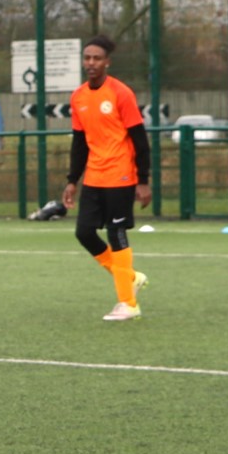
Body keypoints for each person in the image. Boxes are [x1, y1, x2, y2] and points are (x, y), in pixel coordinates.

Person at [61, 36, 151, 321]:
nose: (91, 63)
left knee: (116, 234)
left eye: (96, 58)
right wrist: (72, 180)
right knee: (84, 233)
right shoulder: (78, 97)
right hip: (95, 177)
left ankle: (129, 303)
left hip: (122, 176)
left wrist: (143, 180)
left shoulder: (121, 94)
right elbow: (80, 143)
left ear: (107, 62)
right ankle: (129, 277)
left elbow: (140, 139)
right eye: (87, 58)